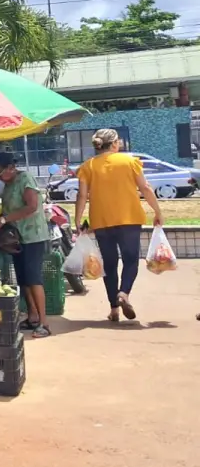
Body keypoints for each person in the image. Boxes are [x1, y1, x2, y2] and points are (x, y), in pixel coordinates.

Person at [74, 129, 162, 323]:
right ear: (114, 144)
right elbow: (145, 188)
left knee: (110, 265)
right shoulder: (130, 162)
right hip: (129, 219)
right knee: (130, 260)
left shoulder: (87, 166)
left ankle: (114, 310)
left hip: (101, 221)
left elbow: (82, 195)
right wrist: (157, 211)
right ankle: (124, 294)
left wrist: (78, 219)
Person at [0, 151, 53, 338]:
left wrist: (5, 219)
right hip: (17, 238)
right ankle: (32, 316)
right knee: (23, 279)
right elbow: (10, 207)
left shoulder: (26, 179)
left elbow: (32, 206)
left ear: (11, 168)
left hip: (33, 236)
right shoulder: (9, 185)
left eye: (0, 174)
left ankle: (44, 322)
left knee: (34, 279)